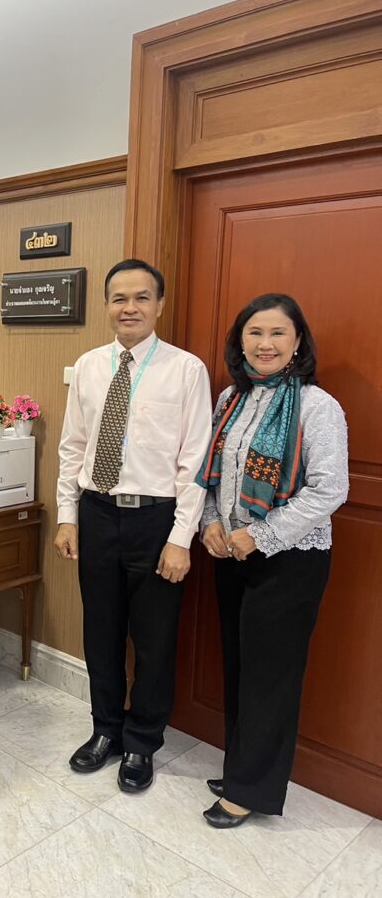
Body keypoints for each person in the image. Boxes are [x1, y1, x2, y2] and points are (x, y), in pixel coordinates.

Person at [55, 258, 211, 792]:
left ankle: (142, 741)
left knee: (154, 639)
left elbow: (195, 462)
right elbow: (73, 446)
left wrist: (180, 537)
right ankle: (105, 729)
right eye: (119, 298)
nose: (130, 307)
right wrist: (68, 516)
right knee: (100, 632)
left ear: (159, 305)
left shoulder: (186, 370)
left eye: (142, 297)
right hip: (97, 512)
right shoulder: (89, 365)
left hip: (156, 519)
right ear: (106, 305)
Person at [196, 293, 348, 827]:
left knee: (271, 676)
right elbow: (212, 472)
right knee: (240, 666)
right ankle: (242, 768)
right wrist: (210, 522)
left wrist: (261, 535)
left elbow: (330, 489)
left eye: (278, 333)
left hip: (289, 560)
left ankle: (250, 790)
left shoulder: (317, 406)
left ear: (298, 342)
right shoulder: (229, 399)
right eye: (254, 333)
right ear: (240, 341)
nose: (265, 344)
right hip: (230, 552)